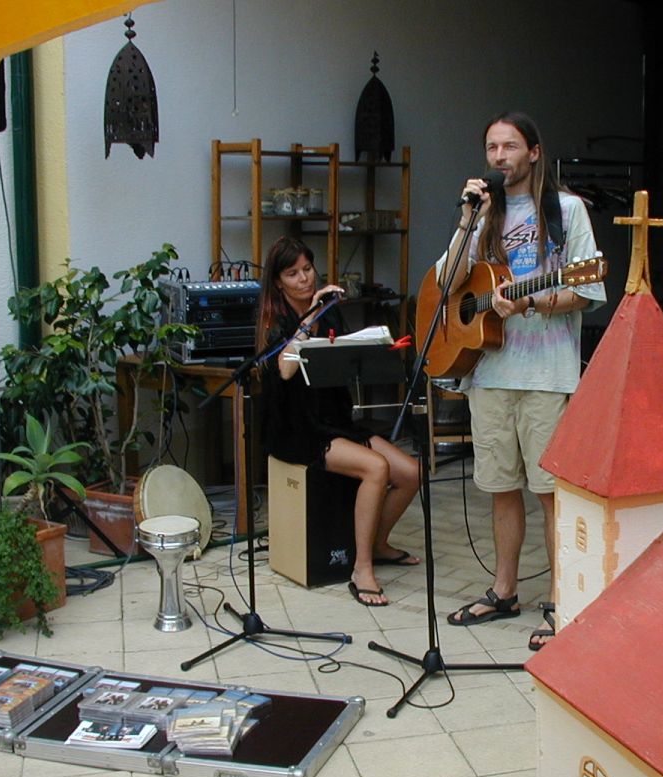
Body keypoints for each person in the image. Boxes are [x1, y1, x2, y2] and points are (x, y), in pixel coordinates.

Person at [438, 112, 606, 649]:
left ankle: (560, 602)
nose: (499, 157)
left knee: (550, 493)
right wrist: (468, 219)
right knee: (500, 488)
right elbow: (447, 283)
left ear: (534, 152)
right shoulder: (481, 214)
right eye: (492, 147)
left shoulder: (566, 210)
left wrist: (532, 301)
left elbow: (587, 289)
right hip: (489, 371)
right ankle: (504, 590)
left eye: (509, 146)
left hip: (545, 375)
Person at [256, 236, 421, 607]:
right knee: (376, 468)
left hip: (333, 420)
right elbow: (285, 370)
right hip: (296, 428)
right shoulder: (275, 320)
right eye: (293, 273)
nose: (304, 278)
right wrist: (310, 319)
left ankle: (377, 544)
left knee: (411, 473)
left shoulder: (329, 311)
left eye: (307, 269)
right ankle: (362, 569)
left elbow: (344, 363)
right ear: (278, 281)